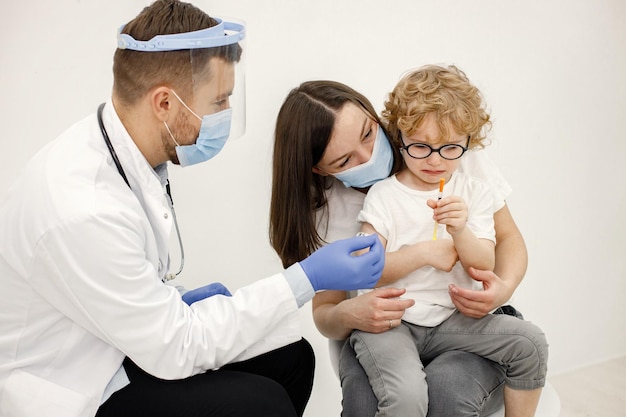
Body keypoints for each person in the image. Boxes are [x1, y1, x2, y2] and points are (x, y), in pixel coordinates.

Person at [0, 2, 386, 417]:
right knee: (263, 405)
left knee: (291, 358)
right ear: (164, 103)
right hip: (77, 384)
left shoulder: (128, 156)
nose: (225, 114)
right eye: (218, 101)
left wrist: (171, 299)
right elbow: (177, 349)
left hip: (119, 343)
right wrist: (305, 279)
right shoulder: (83, 207)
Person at [269, 78, 537, 416]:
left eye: (368, 133)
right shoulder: (329, 212)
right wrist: (348, 313)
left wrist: (504, 287)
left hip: (459, 324)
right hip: (387, 332)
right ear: (318, 168)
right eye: (344, 161)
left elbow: (508, 238)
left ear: (375, 114)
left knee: (446, 391)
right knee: (372, 404)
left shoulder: (444, 149)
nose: (369, 156)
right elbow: (326, 313)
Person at [349, 64, 548, 417]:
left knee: (529, 342)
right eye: (421, 146)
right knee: (407, 398)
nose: (435, 160)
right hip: (393, 322)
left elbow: (484, 264)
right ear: (400, 136)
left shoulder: (474, 192)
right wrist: (422, 253)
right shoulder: (383, 196)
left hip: (451, 321)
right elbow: (368, 273)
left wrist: (460, 231)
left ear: (468, 143)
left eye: (450, 148)